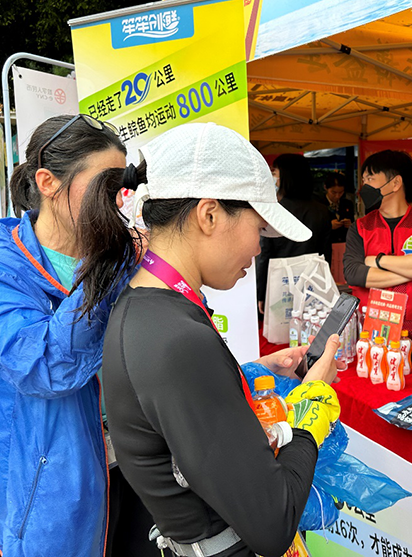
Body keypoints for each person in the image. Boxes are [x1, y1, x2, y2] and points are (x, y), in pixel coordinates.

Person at [75, 122, 341, 557]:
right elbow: (273, 523)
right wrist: (314, 404)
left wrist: (253, 372)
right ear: (210, 214)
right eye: (258, 228)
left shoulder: (146, 306)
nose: (259, 248)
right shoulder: (176, 338)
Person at [0, 115, 158, 556]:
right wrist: (108, 265)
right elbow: (41, 365)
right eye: (103, 186)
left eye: (120, 188)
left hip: (129, 465)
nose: (114, 202)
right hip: (46, 493)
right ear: (48, 182)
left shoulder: (122, 255)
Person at [344, 150, 412, 347]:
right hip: (371, 339)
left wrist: (377, 260)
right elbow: (354, 274)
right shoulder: (360, 227)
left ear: (395, 183)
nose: (364, 186)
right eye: (364, 179)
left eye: (371, 178)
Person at [256, 153, 332, 313]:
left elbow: (264, 255)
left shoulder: (274, 211)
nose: (272, 178)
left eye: (275, 173)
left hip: (278, 287)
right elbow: (326, 255)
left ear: (286, 177)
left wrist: (260, 293)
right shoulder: (321, 210)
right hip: (312, 286)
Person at [316, 172, 354, 244]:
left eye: (341, 192)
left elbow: (353, 222)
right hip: (326, 244)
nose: (337, 196)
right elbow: (315, 227)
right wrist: (328, 226)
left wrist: (350, 224)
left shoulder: (347, 204)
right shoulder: (319, 204)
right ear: (325, 188)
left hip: (344, 243)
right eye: (333, 192)